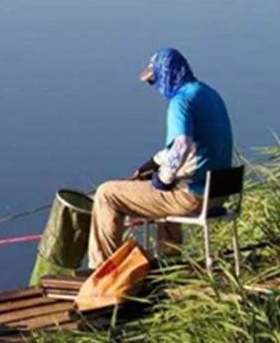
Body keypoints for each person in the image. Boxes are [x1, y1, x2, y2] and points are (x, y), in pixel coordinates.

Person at [87, 48, 233, 267]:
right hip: (219, 193)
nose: (155, 87)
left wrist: (162, 179)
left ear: (167, 74)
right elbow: (193, 145)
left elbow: (182, 145)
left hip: (193, 198)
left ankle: (101, 271)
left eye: (154, 80)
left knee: (106, 194)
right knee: (168, 188)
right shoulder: (209, 94)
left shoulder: (181, 102)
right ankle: (171, 264)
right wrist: (153, 164)